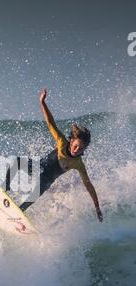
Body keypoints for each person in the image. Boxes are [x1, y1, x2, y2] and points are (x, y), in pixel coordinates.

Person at [6, 89, 103, 222]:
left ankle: (16, 216)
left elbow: (88, 185)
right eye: (75, 146)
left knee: (33, 196)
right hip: (38, 168)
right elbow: (50, 123)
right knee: (17, 161)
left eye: (80, 149)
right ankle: (5, 188)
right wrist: (42, 102)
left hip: (46, 180)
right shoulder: (62, 142)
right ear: (71, 141)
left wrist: (97, 207)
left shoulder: (78, 163)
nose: (76, 150)